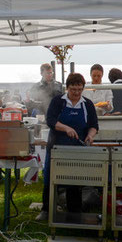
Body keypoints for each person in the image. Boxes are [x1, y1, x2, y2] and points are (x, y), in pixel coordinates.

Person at [39, 73, 99, 221]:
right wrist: (66, 128)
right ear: (67, 88)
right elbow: (51, 120)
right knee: (50, 178)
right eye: (73, 89)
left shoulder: (87, 104)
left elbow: (94, 125)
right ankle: (46, 209)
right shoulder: (58, 101)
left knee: (75, 179)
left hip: (77, 149)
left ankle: (74, 211)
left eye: (79, 89)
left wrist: (90, 136)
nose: (76, 93)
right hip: (57, 147)